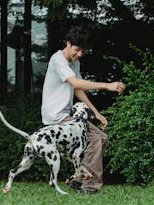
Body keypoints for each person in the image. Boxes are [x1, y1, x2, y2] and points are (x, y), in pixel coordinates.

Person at [41, 26, 126, 194]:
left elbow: (78, 89)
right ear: (68, 44)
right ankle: (89, 186)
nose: (79, 54)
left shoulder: (75, 62)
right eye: (77, 50)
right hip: (56, 116)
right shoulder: (58, 60)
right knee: (96, 139)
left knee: (101, 138)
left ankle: (79, 179)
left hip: (67, 115)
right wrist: (107, 85)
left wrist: (95, 112)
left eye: (83, 51)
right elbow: (75, 83)